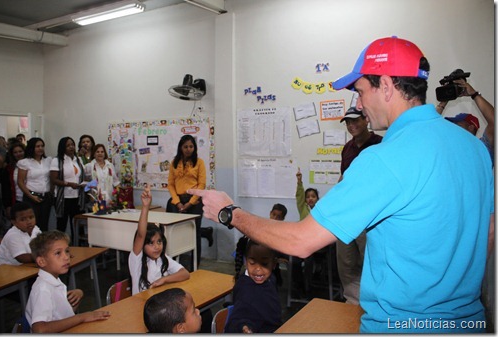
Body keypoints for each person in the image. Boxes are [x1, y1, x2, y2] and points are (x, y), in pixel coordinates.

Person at [189, 36, 494, 333]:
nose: (358, 104)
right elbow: (489, 231)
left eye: (360, 91)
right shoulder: (474, 148)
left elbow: (300, 242)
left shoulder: (383, 158)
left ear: (386, 86)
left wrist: (230, 212)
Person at [336, 107, 382, 305]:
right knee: (346, 263)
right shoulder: (347, 148)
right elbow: (343, 179)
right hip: (347, 215)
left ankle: (374, 303)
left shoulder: (381, 144)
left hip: (371, 216)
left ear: (366, 120)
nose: (351, 125)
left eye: (355, 120)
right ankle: (353, 303)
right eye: (347, 122)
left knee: (370, 262)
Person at [25, 230, 111, 332]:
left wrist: (77, 296)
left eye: (67, 251)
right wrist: (81, 317)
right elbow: (40, 329)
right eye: (58, 253)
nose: (66, 257)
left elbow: (62, 317)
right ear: (42, 261)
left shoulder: (54, 281)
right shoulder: (43, 289)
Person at [129, 184, 190, 295]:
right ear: (143, 245)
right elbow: (141, 235)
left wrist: (164, 279)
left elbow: (185, 273)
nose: (157, 247)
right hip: (140, 305)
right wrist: (146, 207)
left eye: (159, 242)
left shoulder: (163, 258)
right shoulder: (136, 260)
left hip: (159, 304)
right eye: (151, 243)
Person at [167, 135, 207, 267]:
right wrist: (177, 202)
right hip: (176, 202)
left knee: (194, 233)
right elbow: (171, 184)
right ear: (180, 148)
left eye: (191, 146)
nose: (188, 149)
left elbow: (201, 185)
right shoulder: (174, 163)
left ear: (194, 148)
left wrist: (190, 203)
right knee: (173, 233)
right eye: (185, 147)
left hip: (194, 202)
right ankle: (172, 265)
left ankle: (195, 266)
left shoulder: (199, 162)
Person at [226, 238, 282, 333]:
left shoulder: (271, 279)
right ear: (246, 262)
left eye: (264, 263)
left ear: (274, 264)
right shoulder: (245, 289)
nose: (258, 269)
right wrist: (244, 327)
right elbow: (239, 317)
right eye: (252, 263)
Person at [437, 76, 495, 165]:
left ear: (471, 127)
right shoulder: (450, 150)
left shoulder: (482, 148)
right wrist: (443, 103)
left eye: (459, 125)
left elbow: (494, 121)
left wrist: (474, 94)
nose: (455, 129)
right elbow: (429, 128)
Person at [50, 137, 86, 242]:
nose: (71, 147)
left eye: (72, 144)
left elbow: (81, 176)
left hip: (77, 197)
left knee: (77, 224)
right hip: (63, 198)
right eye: (68, 145)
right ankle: (60, 246)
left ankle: (78, 246)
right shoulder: (56, 160)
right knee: (62, 224)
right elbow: (53, 179)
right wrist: (68, 184)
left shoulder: (77, 159)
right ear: (62, 147)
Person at [17, 137, 53, 232]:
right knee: (32, 224)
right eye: (37, 146)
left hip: (46, 196)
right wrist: (31, 195)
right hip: (32, 194)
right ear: (32, 148)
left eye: (42, 146)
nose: (40, 148)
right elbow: (20, 181)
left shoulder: (48, 160)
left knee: (44, 223)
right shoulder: (25, 162)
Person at [0, 142, 25, 221]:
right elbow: (6, 188)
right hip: (16, 199)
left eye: (20, 151)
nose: (18, 154)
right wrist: (8, 206)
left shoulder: (30, 165)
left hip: (30, 199)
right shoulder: (9, 169)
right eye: (15, 152)